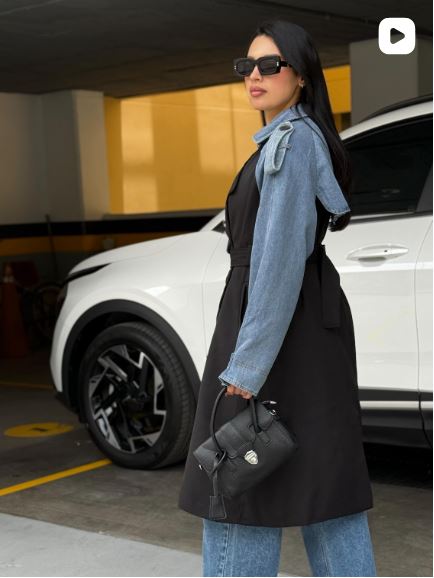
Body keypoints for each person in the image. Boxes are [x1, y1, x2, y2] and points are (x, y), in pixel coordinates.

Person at [178, 18, 377, 577]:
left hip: (275, 329)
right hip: (305, 330)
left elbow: (280, 261)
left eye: (270, 65)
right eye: (247, 66)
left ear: (302, 75)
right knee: (325, 489)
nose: (254, 76)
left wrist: (248, 362)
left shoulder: (291, 144)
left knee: (235, 479)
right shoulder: (297, 140)